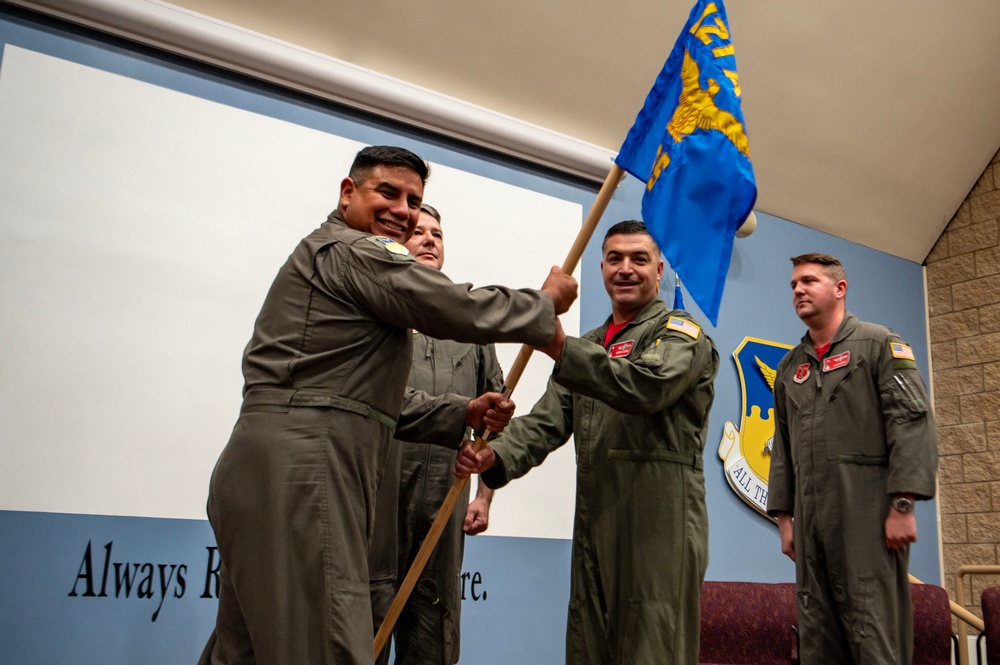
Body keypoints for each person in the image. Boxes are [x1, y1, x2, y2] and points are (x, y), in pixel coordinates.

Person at [198, 145, 577, 665]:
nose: (403, 209)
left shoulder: (336, 262)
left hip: (281, 467)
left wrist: (459, 414)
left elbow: (369, 401)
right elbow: (445, 304)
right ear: (347, 192)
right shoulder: (353, 250)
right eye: (388, 192)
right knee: (329, 648)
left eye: (414, 200)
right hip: (307, 469)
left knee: (244, 651)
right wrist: (542, 303)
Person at [455, 220, 719, 665]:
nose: (626, 268)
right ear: (600, 268)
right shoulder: (592, 345)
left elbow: (645, 387)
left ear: (659, 270)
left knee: (652, 649)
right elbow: (545, 422)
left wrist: (559, 346)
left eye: (639, 258)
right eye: (615, 258)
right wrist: (492, 455)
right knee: (588, 645)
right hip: (595, 521)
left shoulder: (680, 335)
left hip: (659, 526)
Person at [766, 252, 938, 665]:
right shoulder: (791, 366)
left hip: (867, 516)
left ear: (840, 289)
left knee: (873, 631)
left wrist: (902, 504)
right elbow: (783, 445)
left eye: (808, 281)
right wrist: (785, 519)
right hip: (810, 523)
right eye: (793, 285)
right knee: (817, 635)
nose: (798, 290)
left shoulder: (879, 345)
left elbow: (910, 421)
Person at [369, 204, 502, 665]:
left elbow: (495, 422)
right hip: (375, 501)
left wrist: (484, 497)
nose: (429, 239)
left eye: (438, 234)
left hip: (443, 507)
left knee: (434, 635)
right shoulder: (373, 310)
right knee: (362, 624)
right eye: (418, 231)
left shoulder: (469, 326)